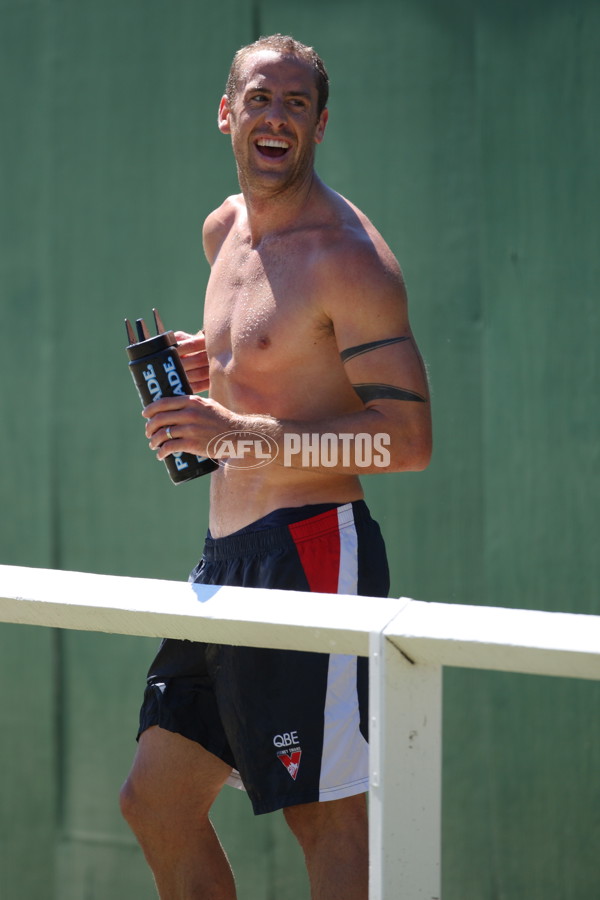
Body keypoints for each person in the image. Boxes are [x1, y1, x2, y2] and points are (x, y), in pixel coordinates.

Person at [120, 34, 432, 900]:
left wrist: (243, 434)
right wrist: (206, 367)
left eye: (297, 104)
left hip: (313, 554)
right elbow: (277, 362)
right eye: (261, 99)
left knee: (324, 819)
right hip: (226, 561)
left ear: (320, 126)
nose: (276, 117)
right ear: (228, 113)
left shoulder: (350, 258)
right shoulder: (226, 230)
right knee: (155, 800)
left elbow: (405, 441)